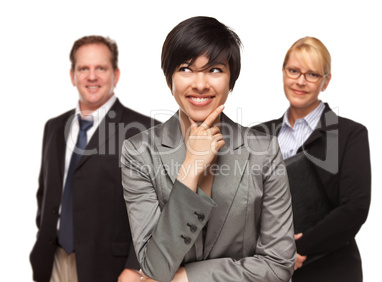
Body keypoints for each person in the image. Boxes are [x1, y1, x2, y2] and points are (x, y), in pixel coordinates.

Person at [121, 16, 296, 282]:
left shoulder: (264, 151)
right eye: (186, 69)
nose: (200, 84)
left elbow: (278, 266)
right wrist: (191, 167)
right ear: (170, 78)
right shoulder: (138, 152)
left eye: (214, 69)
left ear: (231, 79)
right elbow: (154, 267)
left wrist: (186, 277)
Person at [30, 35, 158, 282]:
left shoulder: (144, 131)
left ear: (116, 75)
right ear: (72, 76)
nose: (92, 76)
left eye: (101, 68)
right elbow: (45, 193)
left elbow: (157, 208)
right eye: (83, 68)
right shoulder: (54, 127)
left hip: (111, 268)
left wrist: (134, 266)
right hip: (52, 261)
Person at [253, 37, 371, 282]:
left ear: (326, 81)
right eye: (293, 71)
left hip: (329, 269)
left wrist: (298, 247)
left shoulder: (348, 134)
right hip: (264, 270)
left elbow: (354, 208)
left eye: (312, 75)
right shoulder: (256, 135)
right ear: (284, 73)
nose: (300, 81)